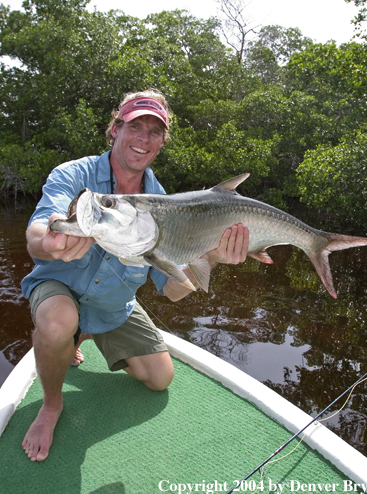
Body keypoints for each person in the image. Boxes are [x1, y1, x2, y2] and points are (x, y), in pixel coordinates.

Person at [20, 90, 249, 462]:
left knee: (160, 380)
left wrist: (214, 258)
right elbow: (35, 235)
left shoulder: (164, 204)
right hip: (59, 288)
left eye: (154, 131)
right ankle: (51, 405)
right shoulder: (74, 173)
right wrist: (50, 243)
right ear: (115, 128)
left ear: (162, 143)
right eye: (135, 126)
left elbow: (173, 291)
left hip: (113, 305)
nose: (143, 138)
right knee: (59, 322)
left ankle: (86, 331)